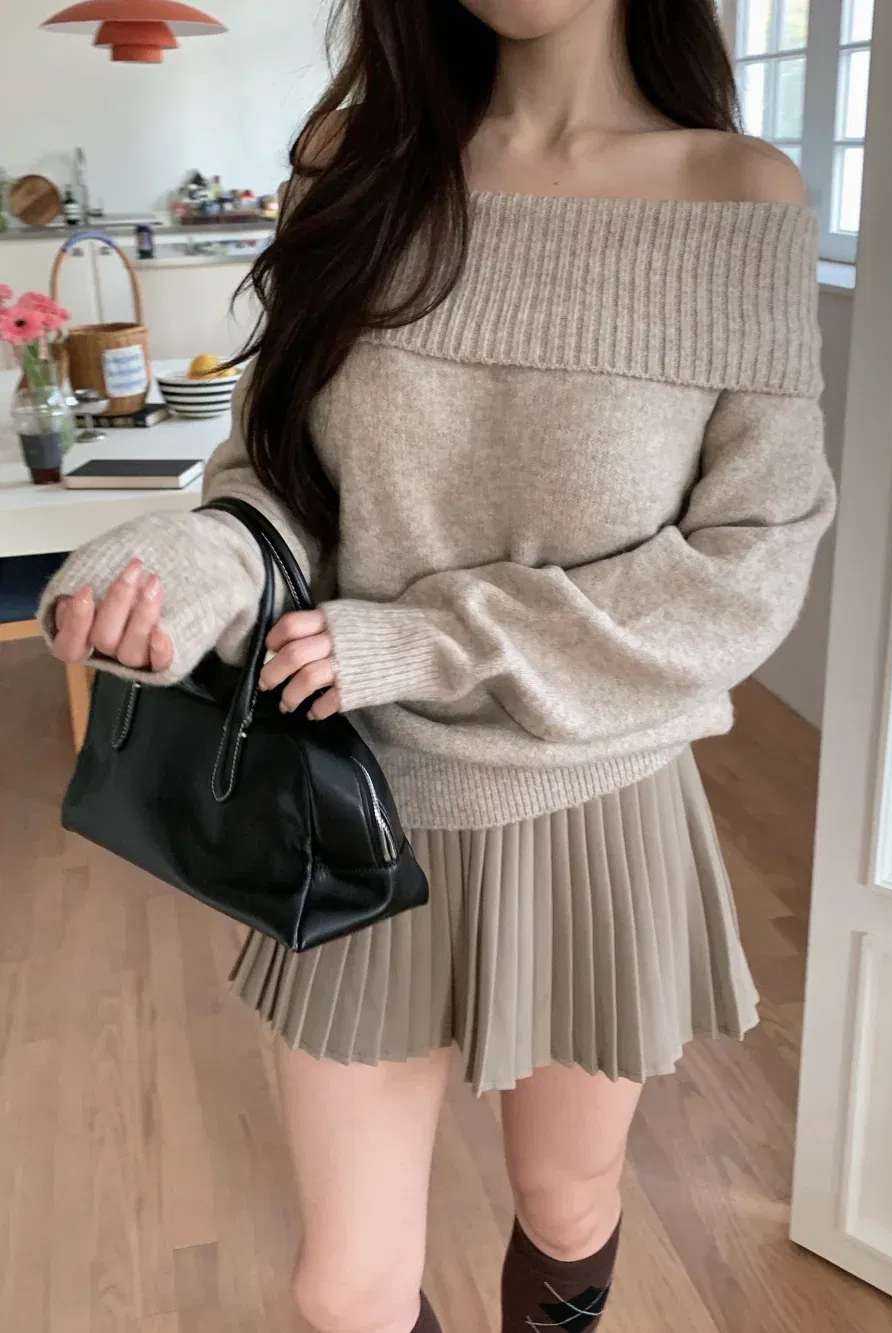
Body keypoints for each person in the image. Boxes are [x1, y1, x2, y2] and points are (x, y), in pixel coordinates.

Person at [40, 1, 836, 1330]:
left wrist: (428, 640)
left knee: (568, 1203)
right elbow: (275, 478)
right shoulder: (355, 165)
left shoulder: (734, 195)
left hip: (594, 801)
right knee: (344, 1290)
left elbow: (752, 561)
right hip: (355, 795)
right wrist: (187, 566)